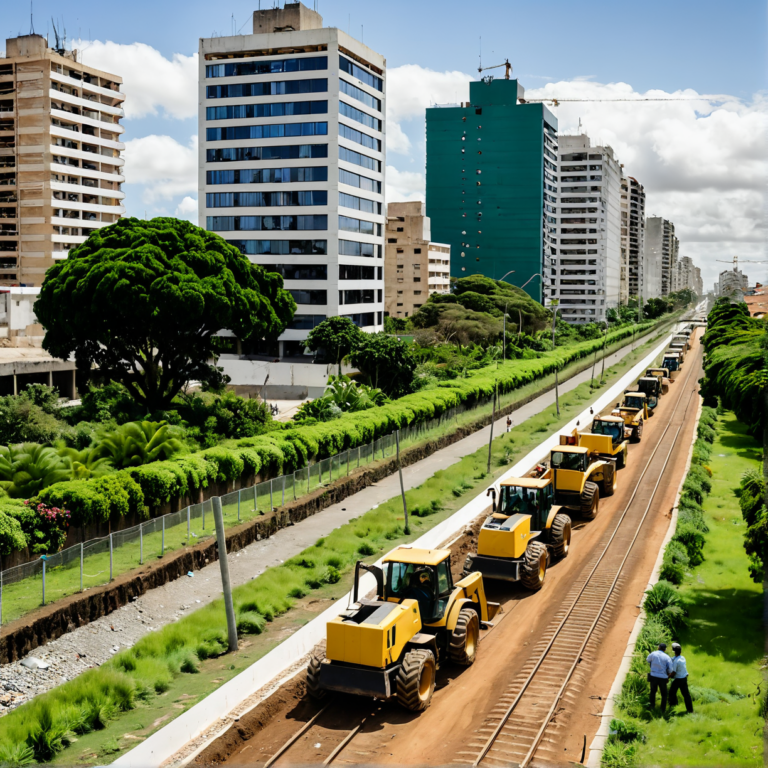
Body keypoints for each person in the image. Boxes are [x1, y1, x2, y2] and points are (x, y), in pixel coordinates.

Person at [646, 642, 673, 712]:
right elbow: (670, 669)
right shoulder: (667, 657)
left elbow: (648, 660)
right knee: (664, 694)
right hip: (663, 678)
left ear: (658, 647)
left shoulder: (653, 654)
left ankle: (652, 707)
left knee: (653, 692)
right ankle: (662, 709)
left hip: (653, 676)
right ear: (665, 650)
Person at [668, 642, 694, 713]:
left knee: (671, 693)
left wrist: (669, 676)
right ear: (680, 652)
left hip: (678, 680)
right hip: (684, 678)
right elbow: (673, 658)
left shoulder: (676, 661)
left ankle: (673, 705)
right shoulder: (682, 658)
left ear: (674, 652)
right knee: (686, 695)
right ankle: (690, 710)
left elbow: (674, 672)